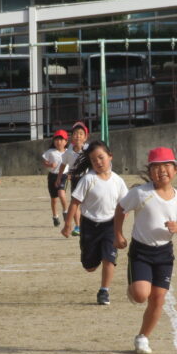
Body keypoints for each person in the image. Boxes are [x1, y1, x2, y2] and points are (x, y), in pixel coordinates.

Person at [115, 147, 177, 354]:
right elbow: (121, 209)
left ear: (175, 170)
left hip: (164, 254)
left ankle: (143, 338)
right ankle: (134, 286)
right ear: (150, 172)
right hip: (141, 252)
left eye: (167, 166)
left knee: (158, 298)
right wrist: (118, 234)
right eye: (156, 167)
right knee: (141, 296)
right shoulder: (141, 193)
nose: (162, 171)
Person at [62, 141, 128, 305]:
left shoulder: (118, 181)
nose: (98, 162)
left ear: (110, 157)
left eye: (101, 157)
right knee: (89, 267)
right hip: (89, 226)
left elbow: (123, 208)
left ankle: (104, 291)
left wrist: (119, 231)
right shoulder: (88, 179)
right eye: (94, 160)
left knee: (109, 258)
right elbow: (75, 202)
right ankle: (96, 254)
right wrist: (67, 224)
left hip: (109, 226)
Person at [57, 121, 89, 236]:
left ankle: (85, 224)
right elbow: (63, 165)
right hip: (74, 179)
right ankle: (78, 226)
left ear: (85, 137)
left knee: (86, 202)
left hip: (87, 180)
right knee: (75, 202)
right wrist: (59, 177)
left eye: (81, 134)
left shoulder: (88, 150)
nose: (78, 136)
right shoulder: (68, 151)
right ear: (71, 137)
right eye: (75, 133)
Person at [42, 129, 69, 226]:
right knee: (54, 199)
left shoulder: (68, 152)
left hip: (63, 176)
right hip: (52, 176)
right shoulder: (50, 152)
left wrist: (71, 173)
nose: (59, 142)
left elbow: (72, 163)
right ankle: (55, 216)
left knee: (61, 194)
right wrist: (49, 165)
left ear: (66, 141)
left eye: (61, 140)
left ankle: (65, 211)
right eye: (56, 139)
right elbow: (44, 162)